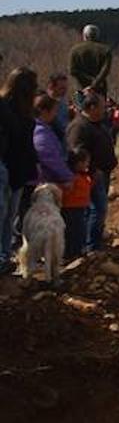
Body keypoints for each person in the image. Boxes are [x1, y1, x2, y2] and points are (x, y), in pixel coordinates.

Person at [67, 91, 117, 254]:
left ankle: (94, 243)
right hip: (92, 176)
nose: (105, 110)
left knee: (99, 210)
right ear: (92, 107)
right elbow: (77, 152)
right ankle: (90, 246)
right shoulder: (79, 126)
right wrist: (91, 170)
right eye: (102, 107)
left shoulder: (96, 124)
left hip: (101, 174)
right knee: (96, 209)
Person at [0, 68, 39, 274]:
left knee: (9, 216)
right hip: (10, 166)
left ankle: (5, 255)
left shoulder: (22, 110)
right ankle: (2, 255)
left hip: (18, 168)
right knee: (5, 214)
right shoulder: (7, 107)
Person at [61, 148, 93, 262]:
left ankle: (78, 252)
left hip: (80, 207)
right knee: (70, 232)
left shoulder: (83, 175)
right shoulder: (71, 177)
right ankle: (69, 254)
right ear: (79, 163)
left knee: (79, 231)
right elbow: (64, 192)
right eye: (86, 162)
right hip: (69, 208)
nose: (87, 164)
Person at [68, 25, 113, 98]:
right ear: (97, 36)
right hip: (100, 89)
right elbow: (105, 70)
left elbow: (72, 70)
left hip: (81, 88)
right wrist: (94, 84)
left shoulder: (75, 50)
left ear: (84, 35)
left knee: (82, 108)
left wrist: (88, 81)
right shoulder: (105, 50)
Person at [45, 73, 70, 142]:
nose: (65, 91)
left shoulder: (63, 102)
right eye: (61, 88)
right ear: (51, 87)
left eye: (66, 88)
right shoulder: (44, 105)